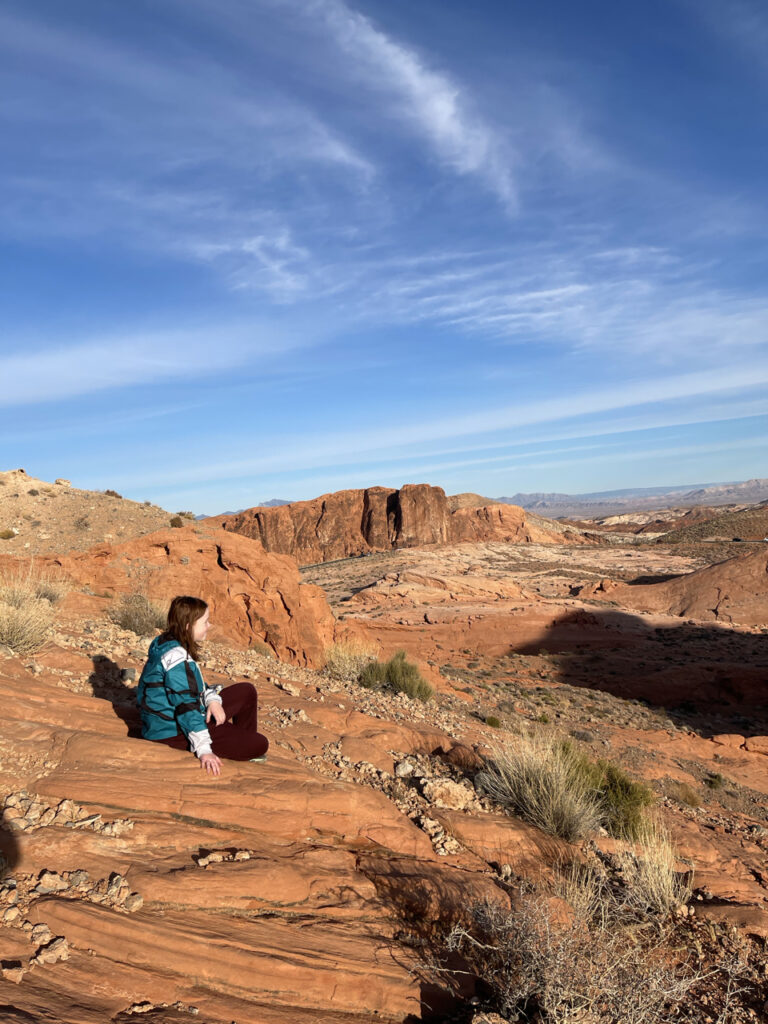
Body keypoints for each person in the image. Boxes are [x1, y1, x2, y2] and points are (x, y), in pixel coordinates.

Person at [137, 595, 269, 775]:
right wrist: (204, 749)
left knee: (246, 691)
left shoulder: (167, 643)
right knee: (260, 744)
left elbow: (195, 686)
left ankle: (236, 740)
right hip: (171, 731)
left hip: (179, 718)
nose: (209, 626)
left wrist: (212, 700)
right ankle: (237, 742)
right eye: (205, 622)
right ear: (188, 626)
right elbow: (185, 705)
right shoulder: (176, 658)